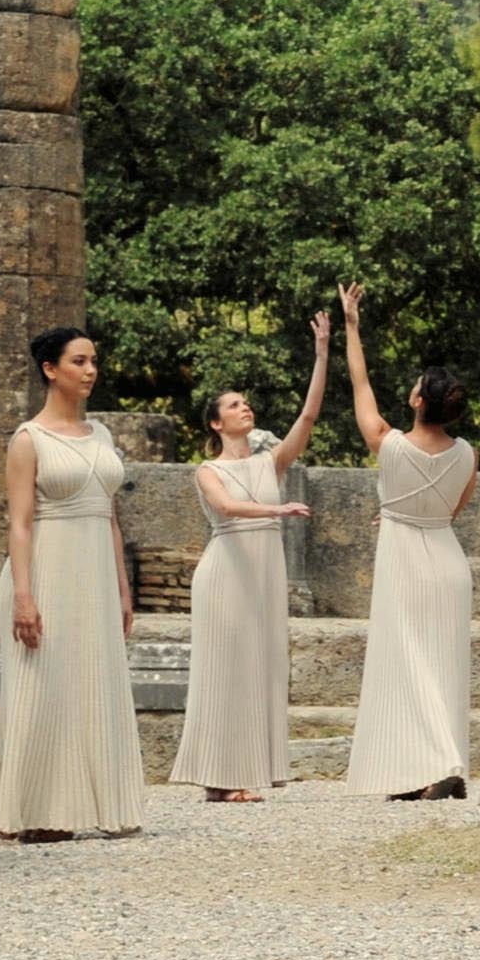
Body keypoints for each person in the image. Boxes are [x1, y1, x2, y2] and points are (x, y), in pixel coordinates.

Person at [0, 326, 144, 842]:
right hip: (48, 566)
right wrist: (24, 596)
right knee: (44, 683)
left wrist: (123, 587)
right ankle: (34, 809)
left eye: (94, 361)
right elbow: (19, 523)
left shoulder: (101, 435)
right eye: (79, 361)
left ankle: (102, 803)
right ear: (50, 369)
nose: (91, 370)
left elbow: (112, 516)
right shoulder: (28, 439)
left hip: (95, 569)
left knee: (95, 680)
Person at [171, 315, 328, 803]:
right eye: (234, 405)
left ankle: (238, 774)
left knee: (260, 666)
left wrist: (322, 353)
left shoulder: (270, 461)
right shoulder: (207, 469)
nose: (246, 408)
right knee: (224, 668)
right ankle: (222, 775)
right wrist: (276, 507)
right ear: (217, 423)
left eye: (246, 402)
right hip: (226, 572)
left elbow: (307, 419)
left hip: (264, 573)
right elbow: (225, 507)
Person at [338, 284, 478, 802]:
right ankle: (426, 769)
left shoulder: (387, 442)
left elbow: (360, 382)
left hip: (403, 558)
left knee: (407, 661)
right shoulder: (468, 454)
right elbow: (453, 511)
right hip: (446, 556)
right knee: (441, 662)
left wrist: (353, 326)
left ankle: (437, 763)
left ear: (419, 401)